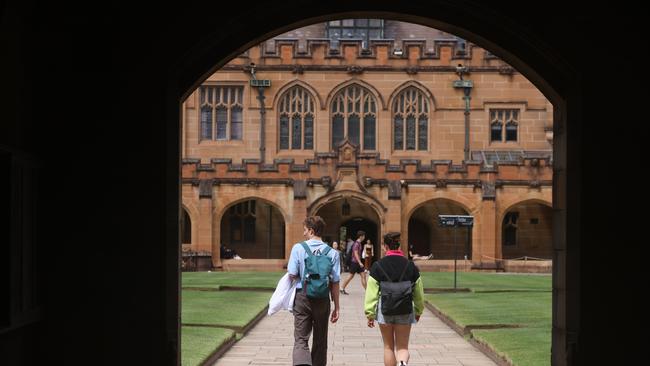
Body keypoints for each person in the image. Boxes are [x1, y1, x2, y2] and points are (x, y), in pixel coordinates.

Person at [364, 232, 425, 366]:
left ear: (385, 246)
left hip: (385, 310)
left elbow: (371, 293)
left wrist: (370, 313)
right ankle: (402, 362)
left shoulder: (377, 266)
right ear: (399, 246)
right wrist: (418, 310)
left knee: (388, 347)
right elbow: (418, 292)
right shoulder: (410, 266)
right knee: (403, 347)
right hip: (405, 309)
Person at [287, 216, 341, 366]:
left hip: (303, 296)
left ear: (311, 230)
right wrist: (337, 306)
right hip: (323, 299)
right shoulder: (333, 253)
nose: (303, 234)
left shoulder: (298, 248)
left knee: (301, 339)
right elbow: (335, 282)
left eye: (305, 230)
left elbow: (291, 274)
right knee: (320, 339)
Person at [339, 230, 366, 294]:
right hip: (355, 263)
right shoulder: (356, 244)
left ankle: (367, 291)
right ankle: (342, 288)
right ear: (361, 236)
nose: (364, 237)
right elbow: (355, 254)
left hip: (357, 263)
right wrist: (360, 262)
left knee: (363, 275)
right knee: (351, 276)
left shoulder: (358, 243)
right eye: (364, 236)